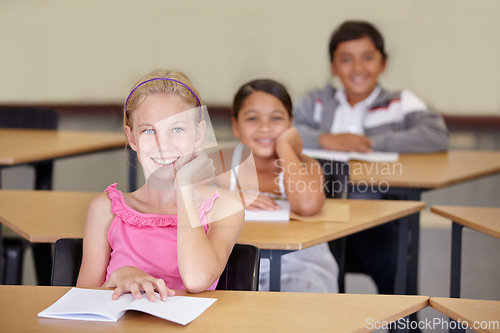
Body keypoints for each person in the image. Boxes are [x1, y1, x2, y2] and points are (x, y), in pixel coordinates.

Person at [293, 20, 449, 295]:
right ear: (333, 66)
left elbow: (436, 134)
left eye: (367, 58)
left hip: (377, 216)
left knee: (393, 262)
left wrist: (371, 144)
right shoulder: (317, 101)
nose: (357, 68)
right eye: (346, 59)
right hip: (319, 212)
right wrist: (327, 139)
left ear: (383, 63)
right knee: (300, 262)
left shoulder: (400, 103)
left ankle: (404, 323)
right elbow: (286, 130)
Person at [77, 70, 244, 302]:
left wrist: (184, 187)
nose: (162, 144)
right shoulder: (105, 209)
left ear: (198, 134)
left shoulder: (224, 209)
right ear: (132, 138)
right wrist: (120, 275)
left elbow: (196, 280)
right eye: (148, 130)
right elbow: (82, 302)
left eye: (177, 129)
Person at [219, 78, 338, 293]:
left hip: (299, 269)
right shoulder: (223, 161)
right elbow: (178, 190)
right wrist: (230, 196)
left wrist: (285, 146)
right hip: (233, 269)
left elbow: (308, 205)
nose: (265, 128)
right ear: (236, 126)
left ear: (290, 124)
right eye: (252, 118)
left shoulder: (305, 165)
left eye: (276, 118)